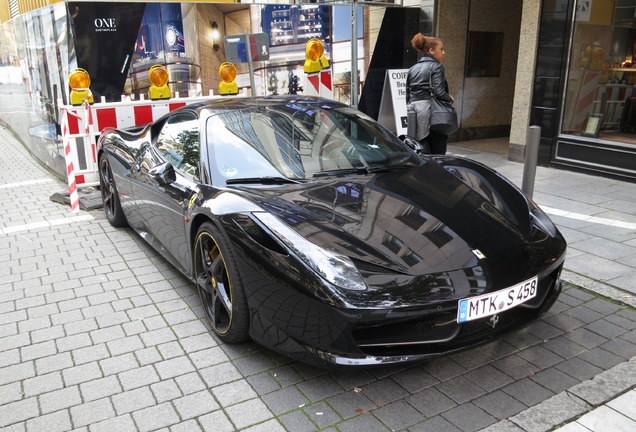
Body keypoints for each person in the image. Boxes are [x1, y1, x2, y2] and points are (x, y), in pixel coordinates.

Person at [406, 34, 454, 155]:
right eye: (441, 49)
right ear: (431, 50)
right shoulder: (437, 66)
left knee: (418, 141)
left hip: (413, 108)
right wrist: (449, 98)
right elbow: (439, 92)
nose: (444, 53)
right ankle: (433, 170)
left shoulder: (413, 68)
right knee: (438, 143)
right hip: (430, 109)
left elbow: (408, 93)